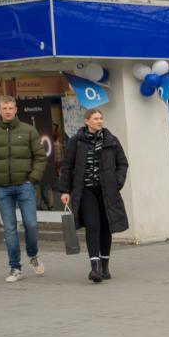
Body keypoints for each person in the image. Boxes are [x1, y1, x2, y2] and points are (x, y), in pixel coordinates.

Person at [0, 95, 47, 282]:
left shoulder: (28, 131)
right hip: (2, 187)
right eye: (4, 108)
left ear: (16, 109)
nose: (8, 111)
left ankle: (33, 255)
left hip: (24, 185)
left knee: (31, 224)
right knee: (9, 228)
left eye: (11, 108)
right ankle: (15, 267)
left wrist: (32, 179)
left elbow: (40, 157)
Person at [59, 109, 130, 284]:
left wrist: (117, 182)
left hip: (107, 190)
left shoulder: (111, 140)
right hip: (86, 191)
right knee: (93, 225)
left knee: (106, 226)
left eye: (101, 118)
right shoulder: (76, 142)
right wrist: (65, 191)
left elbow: (122, 163)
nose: (99, 121)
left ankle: (105, 266)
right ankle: (95, 267)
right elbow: (67, 167)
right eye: (95, 118)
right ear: (87, 121)